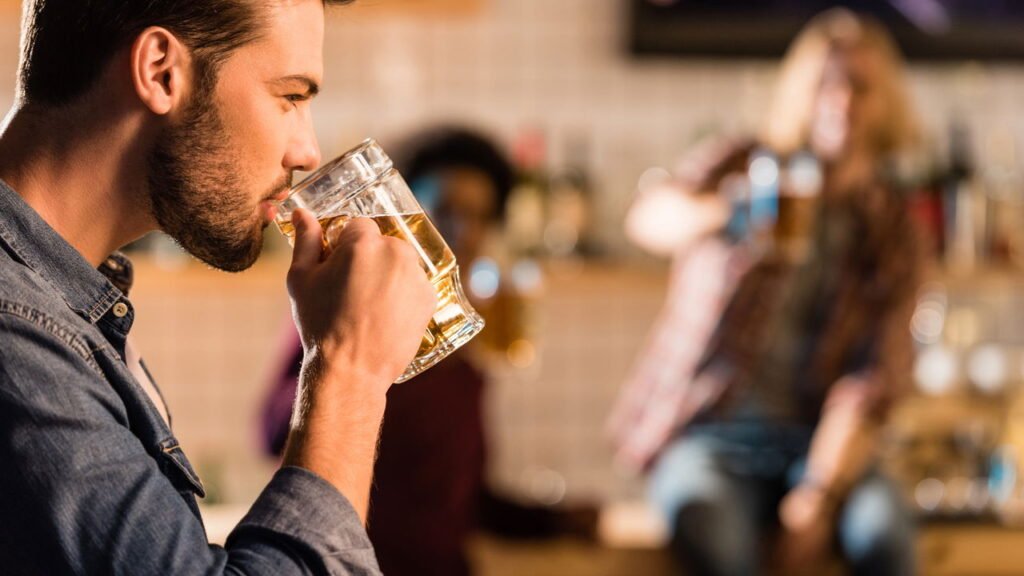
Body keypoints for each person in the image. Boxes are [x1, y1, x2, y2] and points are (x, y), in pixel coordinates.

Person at [0, 1, 439, 574]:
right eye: (290, 96)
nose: (306, 151)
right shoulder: (17, 331)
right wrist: (348, 370)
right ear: (161, 71)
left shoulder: (66, 306)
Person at [610, 9, 924, 576]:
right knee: (715, 538)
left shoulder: (892, 228)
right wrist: (728, 210)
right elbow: (648, 220)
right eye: (826, 83)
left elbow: (873, 378)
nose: (841, 101)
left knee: (884, 538)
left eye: (859, 86)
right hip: (708, 434)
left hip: (814, 444)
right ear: (802, 91)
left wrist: (818, 496)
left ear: (886, 102)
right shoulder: (742, 161)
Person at [262, 126, 596, 576]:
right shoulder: (342, 311)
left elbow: (460, 502)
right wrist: (345, 357)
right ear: (404, 212)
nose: (462, 231)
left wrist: (554, 522)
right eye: (446, 210)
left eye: (479, 216)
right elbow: (272, 434)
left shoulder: (462, 350)